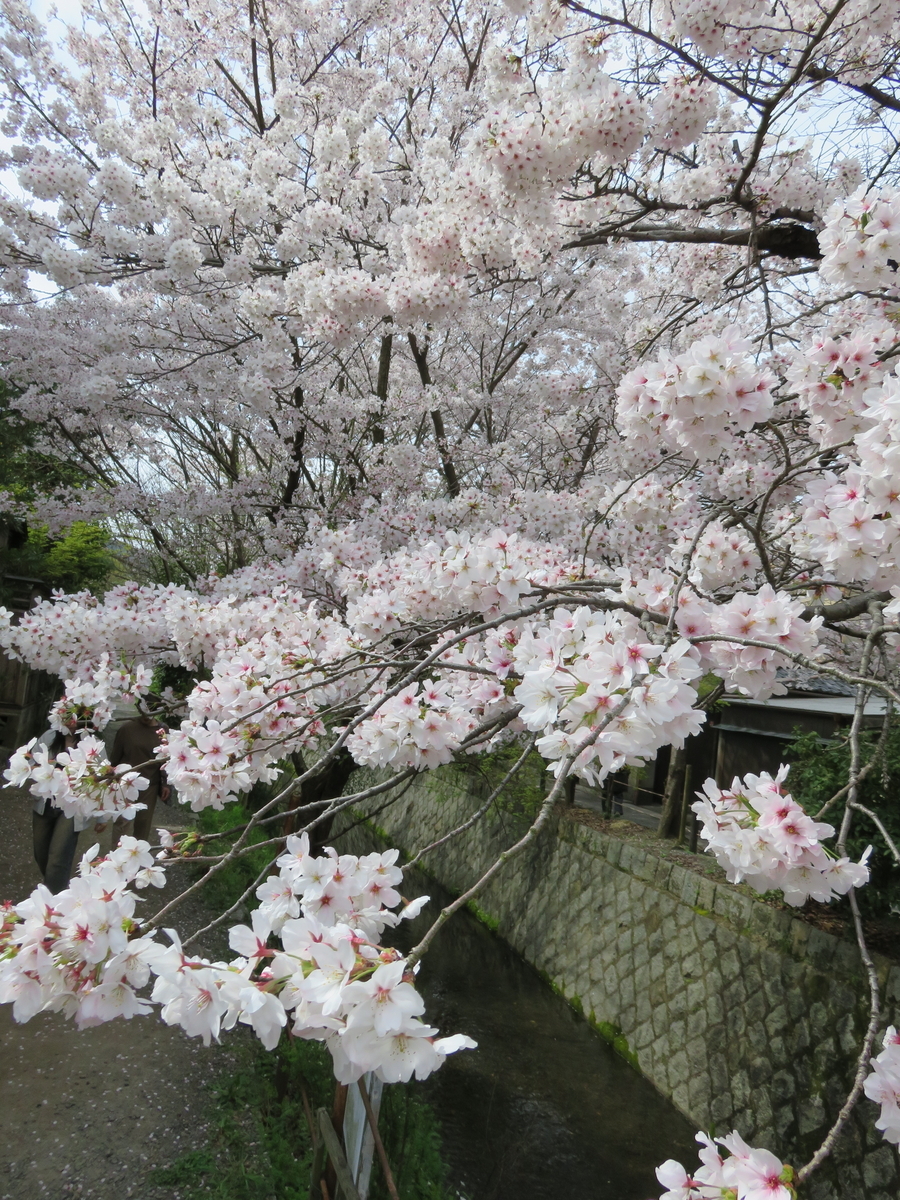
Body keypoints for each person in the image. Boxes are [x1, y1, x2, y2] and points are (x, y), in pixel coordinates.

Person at [110, 711, 171, 845]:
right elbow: (115, 757)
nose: (146, 715)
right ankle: (117, 859)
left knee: (143, 824)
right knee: (122, 822)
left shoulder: (162, 730)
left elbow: (165, 757)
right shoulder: (127, 729)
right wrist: (110, 777)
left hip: (150, 784)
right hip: (126, 783)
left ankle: (137, 855)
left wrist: (165, 783)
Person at [31, 728, 80, 893]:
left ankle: (54, 901)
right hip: (45, 802)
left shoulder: (90, 742)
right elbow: (31, 763)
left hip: (71, 806)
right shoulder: (50, 736)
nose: (70, 723)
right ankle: (57, 887)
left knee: (58, 859)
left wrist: (102, 818)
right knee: (41, 854)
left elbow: (103, 777)